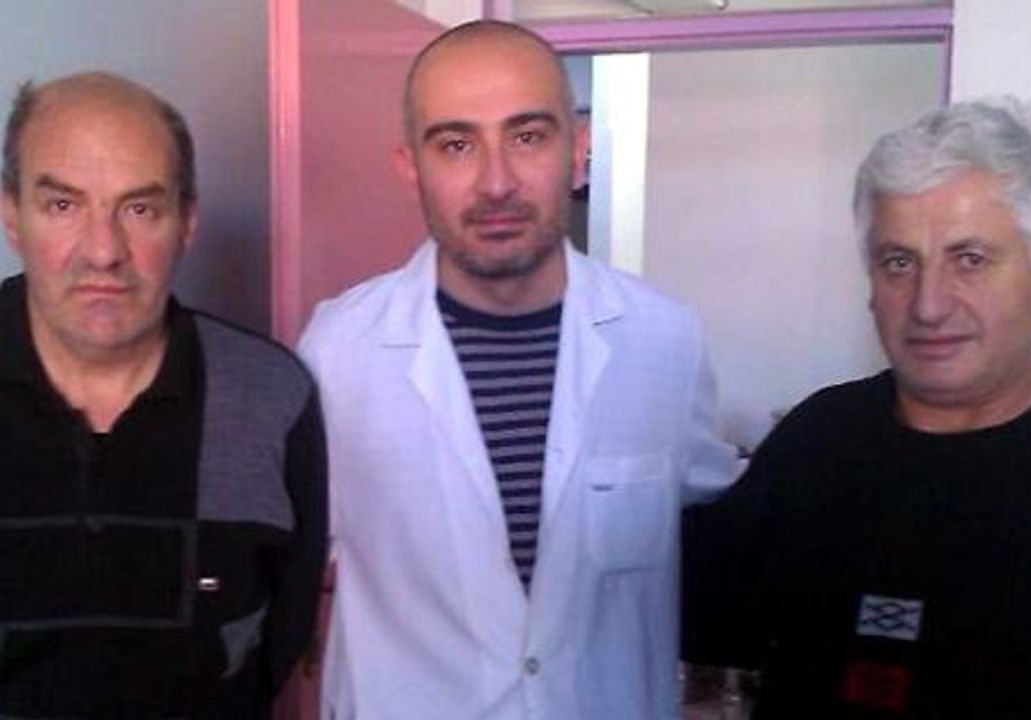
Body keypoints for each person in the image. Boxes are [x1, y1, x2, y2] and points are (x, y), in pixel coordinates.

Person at [298, 20, 740, 720]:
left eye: (528, 136)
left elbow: (715, 520)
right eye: (456, 145)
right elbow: (290, 563)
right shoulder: (338, 350)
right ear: (410, 167)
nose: (496, 182)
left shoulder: (664, 340)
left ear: (579, 150)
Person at [0, 72, 327, 720]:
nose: (104, 251)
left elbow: (277, 641)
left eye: (140, 209)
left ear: (187, 221)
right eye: (63, 205)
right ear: (11, 213)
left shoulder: (269, 395)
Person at [682, 99, 1031, 717]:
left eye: (969, 260)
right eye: (899, 262)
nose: (927, 305)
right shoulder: (819, 442)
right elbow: (700, 615)